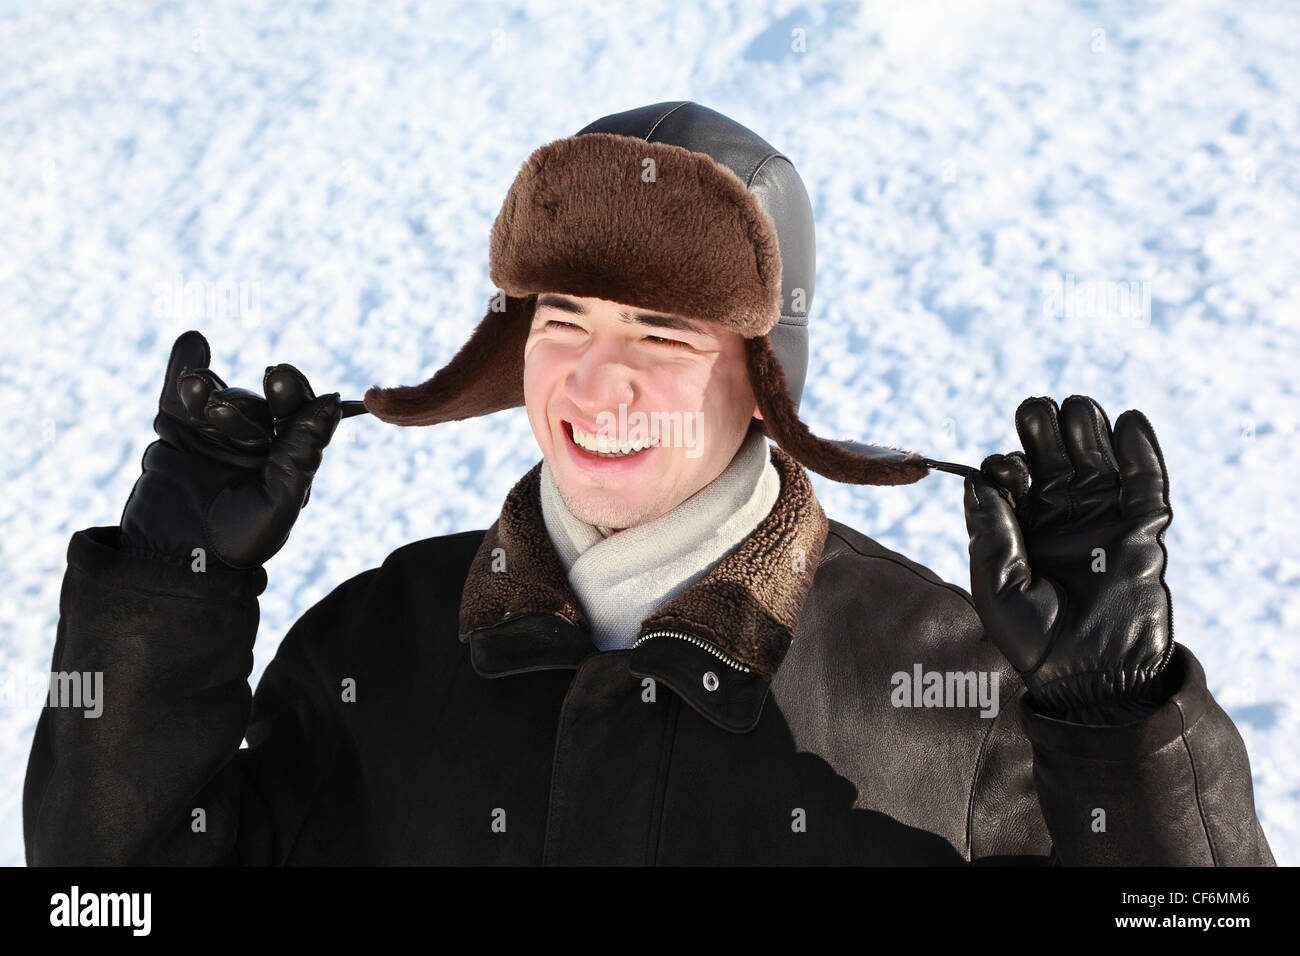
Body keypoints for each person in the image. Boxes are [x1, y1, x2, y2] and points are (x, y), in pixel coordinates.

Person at [24, 101, 1274, 865]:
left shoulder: (944, 677)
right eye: (563, 316)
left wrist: (1122, 722)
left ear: (764, 377)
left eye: (664, 333)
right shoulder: (379, 637)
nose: (594, 379)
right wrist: (171, 590)